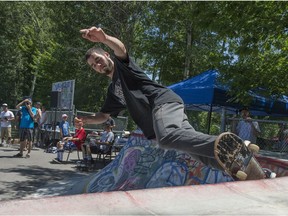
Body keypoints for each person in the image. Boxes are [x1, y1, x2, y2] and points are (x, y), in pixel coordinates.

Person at [79, 26, 224, 170]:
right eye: (93, 66)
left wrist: (105, 39)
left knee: (167, 137)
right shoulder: (113, 91)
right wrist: (88, 119)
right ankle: (238, 167)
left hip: (162, 103)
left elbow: (121, 50)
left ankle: (226, 145)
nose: (98, 65)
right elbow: (104, 115)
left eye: (98, 60)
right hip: (164, 111)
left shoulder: (123, 66)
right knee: (197, 152)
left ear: (106, 55)